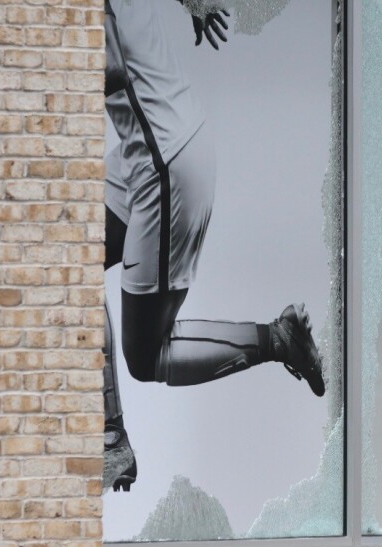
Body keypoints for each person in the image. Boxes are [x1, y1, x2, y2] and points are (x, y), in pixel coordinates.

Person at [102, 0, 325, 492]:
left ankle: (278, 338)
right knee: (60, 255)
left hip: (166, 166)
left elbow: (111, 66)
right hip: (155, 150)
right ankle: (109, 435)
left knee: (144, 358)